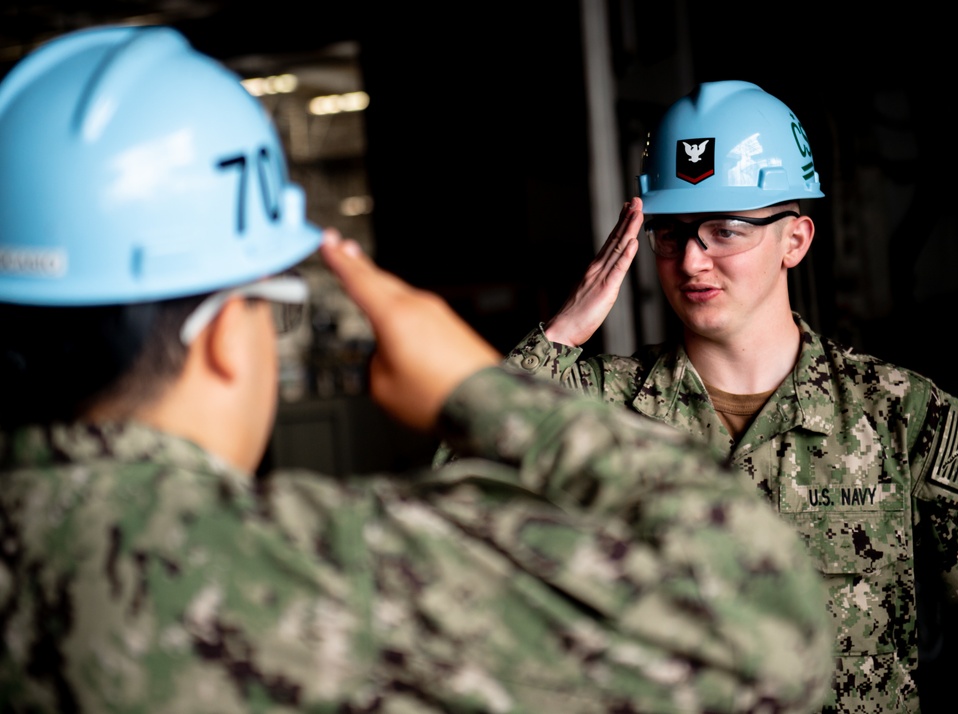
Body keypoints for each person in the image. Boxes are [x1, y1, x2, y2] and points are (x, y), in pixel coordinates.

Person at [0, 27, 835, 713]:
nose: (694, 257)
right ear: (225, 332)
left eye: (727, 228)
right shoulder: (309, 573)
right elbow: (764, 622)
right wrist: (482, 388)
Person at [470, 80, 958, 712]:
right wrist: (559, 338)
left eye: (725, 231)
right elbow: (456, 511)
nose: (692, 262)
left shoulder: (904, 417)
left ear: (795, 241)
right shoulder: (598, 409)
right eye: (671, 234)